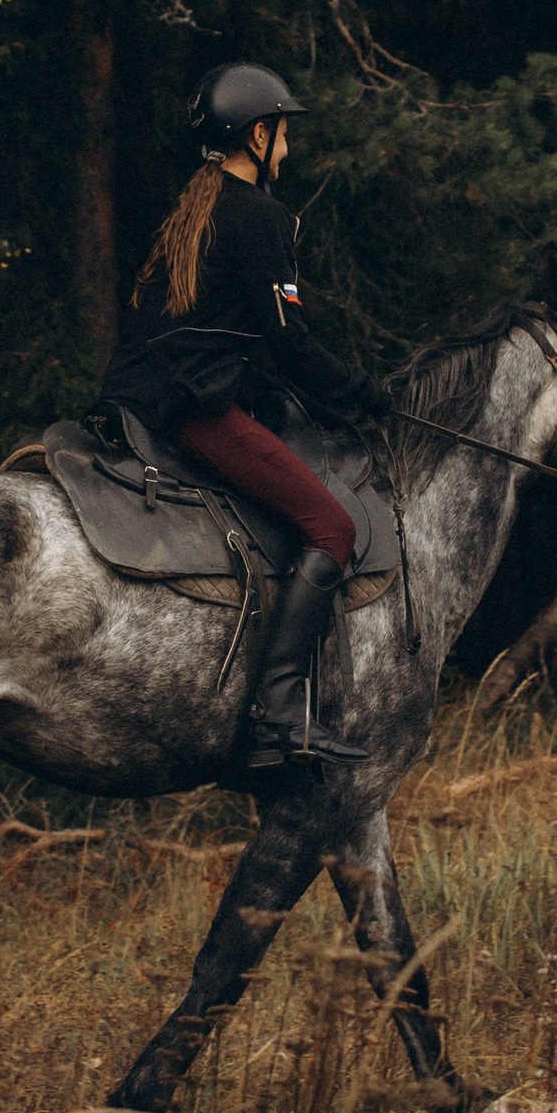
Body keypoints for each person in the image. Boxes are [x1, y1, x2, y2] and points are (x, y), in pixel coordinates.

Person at [97, 62, 395, 768]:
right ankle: (279, 714)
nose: (287, 149)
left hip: (143, 394)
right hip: (192, 412)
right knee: (335, 527)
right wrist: (363, 393)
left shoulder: (189, 209)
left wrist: (254, 389)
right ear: (258, 136)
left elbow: (198, 331)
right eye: (283, 134)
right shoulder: (259, 215)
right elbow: (290, 342)